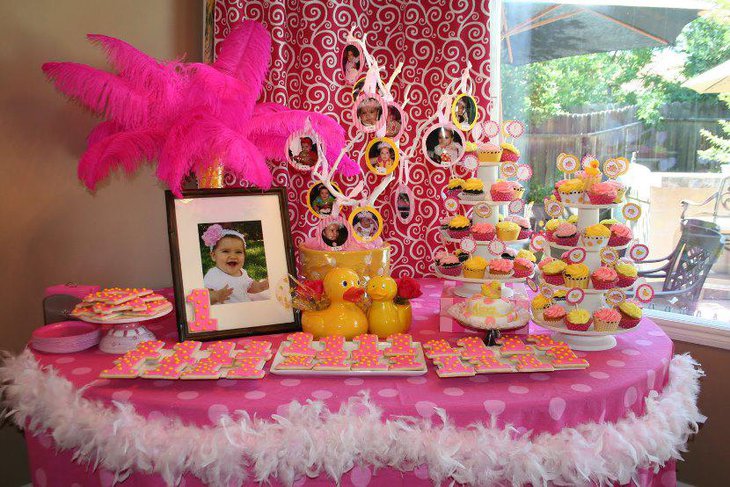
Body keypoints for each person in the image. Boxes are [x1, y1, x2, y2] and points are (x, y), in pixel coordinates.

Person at [201, 224, 269, 305]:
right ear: (214, 256)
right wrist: (216, 296)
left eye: (238, 252)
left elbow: (249, 287)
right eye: (226, 251)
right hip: (227, 313)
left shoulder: (242, 272)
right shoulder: (213, 274)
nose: (233, 256)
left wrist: (261, 286)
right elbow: (203, 297)